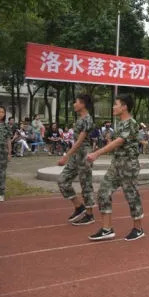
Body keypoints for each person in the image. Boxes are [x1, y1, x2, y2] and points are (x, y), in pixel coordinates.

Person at [87, 94, 144, 241]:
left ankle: (138, 229)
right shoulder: (119, 124)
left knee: (131, 196)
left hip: (128, 165)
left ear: (124, 107)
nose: (113, 107)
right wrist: (108, 141)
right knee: (103, 192)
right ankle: (107, 229)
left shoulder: (131, 123)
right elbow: (118, 144)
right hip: (116, 163)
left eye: (116, 104)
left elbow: (119, 142)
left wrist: (97, 153)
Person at [56, 95, 96, 225]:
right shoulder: (80, 119)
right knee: (63, 180)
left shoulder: (88, 119)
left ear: (83, 104)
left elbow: (80, 141)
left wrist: (66, 156)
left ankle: (89, 215)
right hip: (76, 155)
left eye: (77, 102)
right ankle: (79, 207)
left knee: (86, 185)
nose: (74, 104)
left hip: (84, 154)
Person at [0, 105, 12, 202]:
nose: (1, 114)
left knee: (1, 173)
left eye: (2, 112)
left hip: (2, 151)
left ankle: (0, 193)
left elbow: (8, 140)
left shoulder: (6, 126)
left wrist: (9, 153)